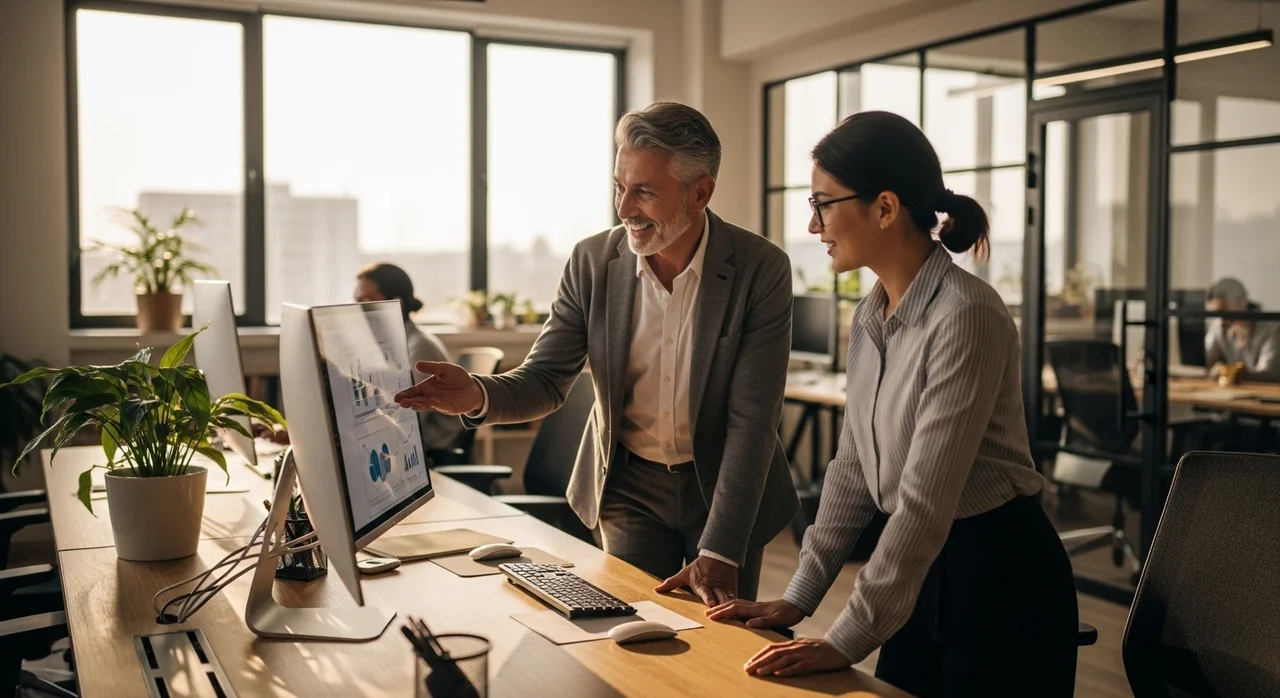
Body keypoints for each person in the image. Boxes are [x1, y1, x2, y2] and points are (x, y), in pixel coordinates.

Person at [707, 111, 1078, 697]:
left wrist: (846, 637)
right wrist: (799, 598)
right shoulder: (870, 315)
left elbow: (925, 501)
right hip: (917, 572)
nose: (812, 224)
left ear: (884, 207)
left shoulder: (966, 315)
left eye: (823, 203)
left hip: (998, 581)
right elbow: (853, 469)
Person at [394, 101, 798, 604]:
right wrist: (478, 393)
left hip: (726, 486)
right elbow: (545, 378)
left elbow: (752, 422)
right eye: (618, 187)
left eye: (644, 192)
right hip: (628, 486)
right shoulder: (593, 262)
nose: (624, 208)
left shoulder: (762, 269)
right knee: (629, 629)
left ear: (701, 193)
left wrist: (721, 550)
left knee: (715, 648)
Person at [355, 263, 465, 452]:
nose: (357, 310)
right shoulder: (392, 345)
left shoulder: (420, 349)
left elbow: (405, 418)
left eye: (365, 301)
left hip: (430, 447)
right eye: (356, 301)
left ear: (396, 303)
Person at [1204, 277, 1278, 381]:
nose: (1221, 319)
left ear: (1241, 303)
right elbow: (1207, 362)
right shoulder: (1219, 325)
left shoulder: (1273, 328)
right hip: (1233, 391)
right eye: (1216, 313)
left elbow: (1270, 373)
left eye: (1223, 311)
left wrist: (1234, 372)